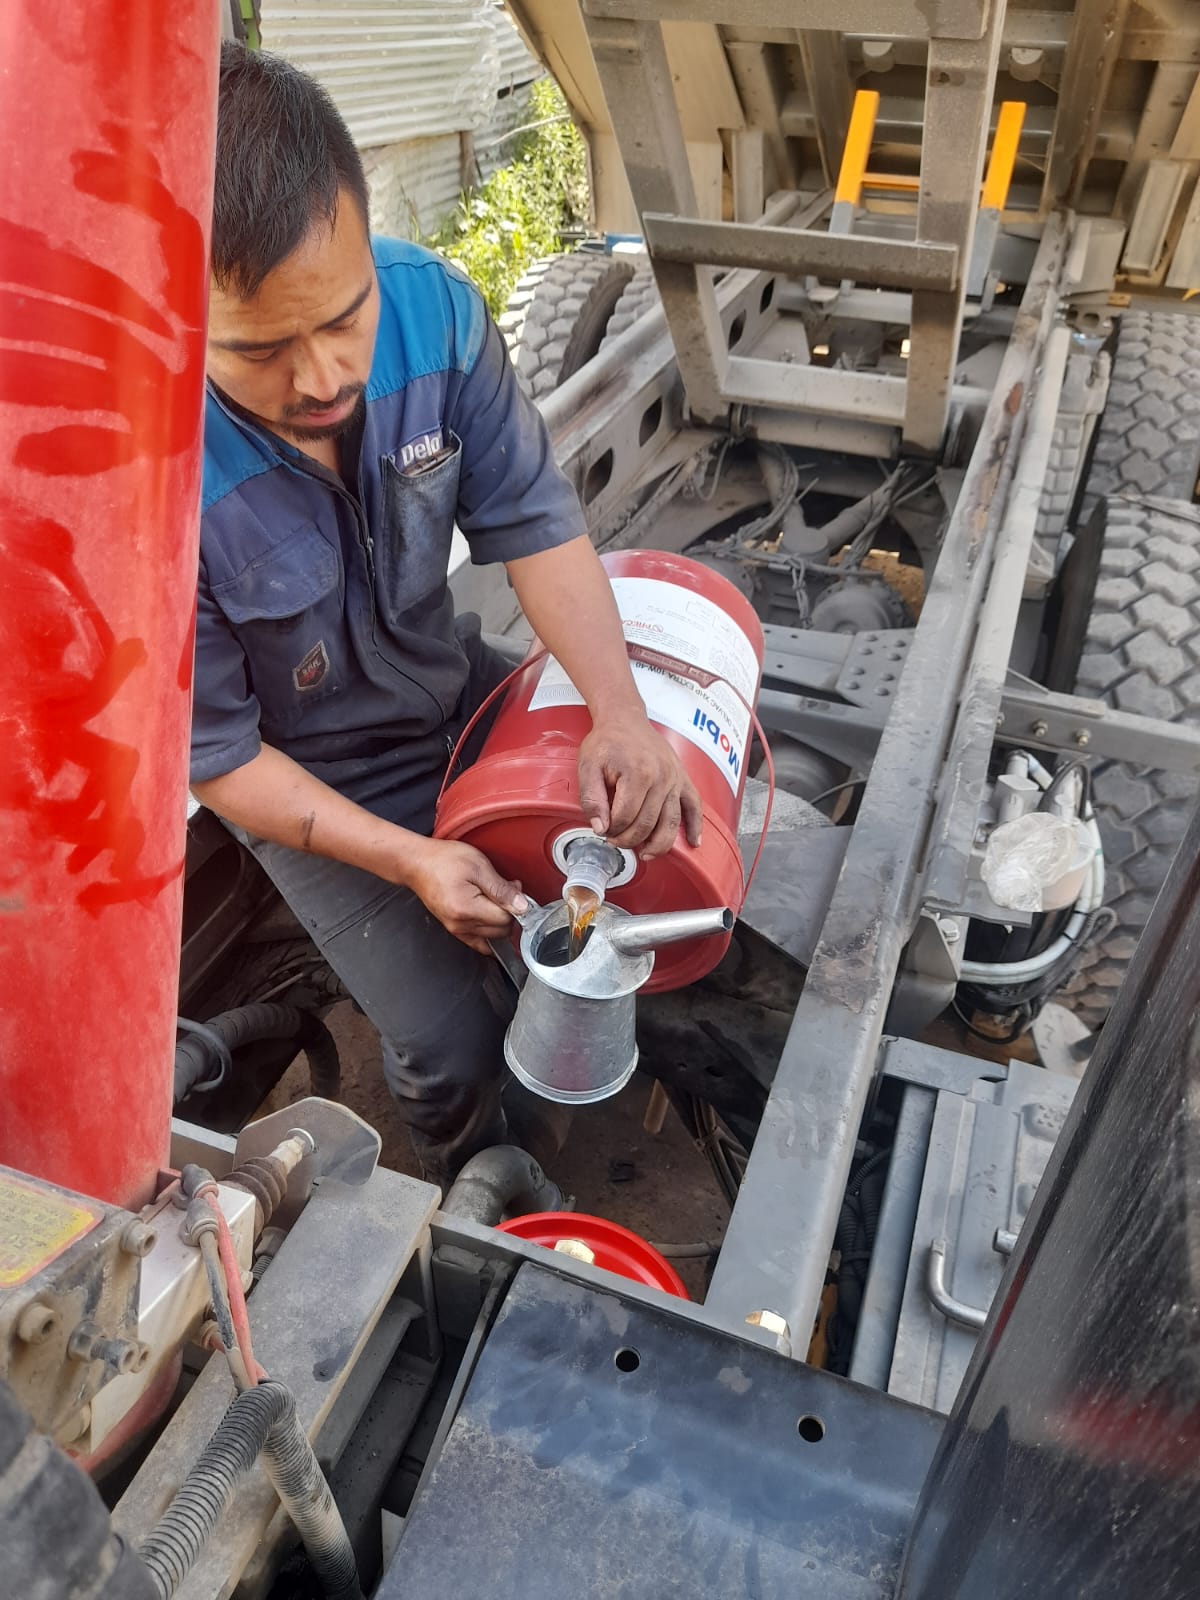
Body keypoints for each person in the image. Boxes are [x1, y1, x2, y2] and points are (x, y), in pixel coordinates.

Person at [189, 44, 700, 1187]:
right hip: (308, 780)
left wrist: (618, 712)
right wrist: (412, 858)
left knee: (652, 846)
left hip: (456, 691)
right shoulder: (154, 474)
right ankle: (476, 1180)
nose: (322, 376)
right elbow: (219, 758)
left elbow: (538, 525)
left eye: (344, 319)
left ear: (366, 235)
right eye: (260, 350)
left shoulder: (436, 314)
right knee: (447, 1042)